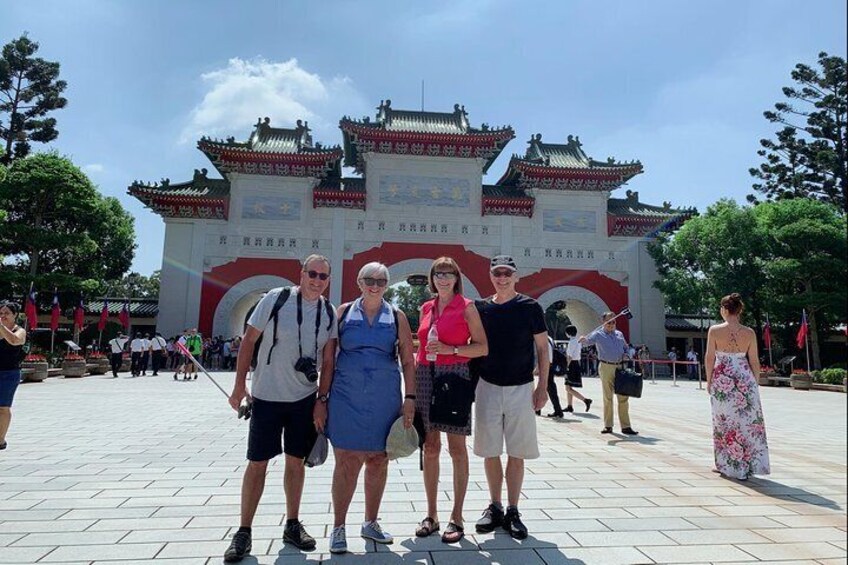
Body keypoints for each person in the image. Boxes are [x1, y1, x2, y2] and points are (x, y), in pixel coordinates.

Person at [224, 255, 338, 562]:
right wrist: (239, 385)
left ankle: (292, 523)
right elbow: (248, 341)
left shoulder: (328, 312)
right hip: (266, 396)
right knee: (257, 463)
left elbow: (328, 360)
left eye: (323, 276)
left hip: (303, 398)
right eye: (312, 273)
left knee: (295, 463)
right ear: (301, 274)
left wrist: (321, 400)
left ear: (328, 280)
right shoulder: (276, 299)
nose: (317, 280)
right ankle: (244, 530)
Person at [321, 262, 416, 554]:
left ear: (387, 285)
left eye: (381, 281)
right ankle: (338, 527)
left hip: (384, 397)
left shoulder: (396, 316)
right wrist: (321, 399)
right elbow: (328, 359)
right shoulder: (343, 312)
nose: (375, 285)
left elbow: (408, 360)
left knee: (378, 459)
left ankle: (371, 522)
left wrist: (409, 398)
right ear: (359, 282)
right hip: (346, 396)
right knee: (347, 460)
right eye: (369, 280)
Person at [473, 255, 549, 540]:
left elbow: (542, 349)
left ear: (516, 276)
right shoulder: (481, 308)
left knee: (517, 451)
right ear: (491, 276)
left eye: (507, 273)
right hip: (488, 385)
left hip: (521, 386)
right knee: (490, 450)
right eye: (497, 273)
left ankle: (514, 509)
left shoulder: (530, 307)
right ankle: (495, 506)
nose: (502, 278)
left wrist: (542, 387)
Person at [414, 257, 488, 543]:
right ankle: (431, 515)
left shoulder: (467, 307)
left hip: (455, 375)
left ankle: (456, 516)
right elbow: (422, 343)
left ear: (457, 278)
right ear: (432, 279)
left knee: (456, 447)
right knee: (430, 446)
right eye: (438, 274)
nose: (443, 279)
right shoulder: (426, 307)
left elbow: (482, 347)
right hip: (425, 374)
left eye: (448, 274)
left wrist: (451, 349)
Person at [705, 293, 770, 481]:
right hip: (744, 377)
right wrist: (754, 383)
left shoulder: (715, 330)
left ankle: (727, 463)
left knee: (724, 421)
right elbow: (754, 361)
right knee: (747, 422)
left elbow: (710, 357)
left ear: (724, 309)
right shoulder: (749, 333)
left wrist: (709, 380)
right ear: (739, 310)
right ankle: (749, 463)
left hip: (722, 376)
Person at [580, 312, 637, 435]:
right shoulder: (598, 334)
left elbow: (626, 347)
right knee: (608, 397)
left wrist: (626, 353)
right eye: (609, 322)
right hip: (606, 367)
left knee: (623, 397)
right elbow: (588, 341)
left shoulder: (619, 334)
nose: (612, 325)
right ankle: (608, 425)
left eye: (614, 322)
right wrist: (583, 339)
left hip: (620, 367)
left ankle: (626, 426)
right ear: (603, 322)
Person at [0, 301, 27, 451]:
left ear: (14, 315)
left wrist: (2, 328)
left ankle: (1, 439)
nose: (3, 316)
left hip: (9, 373)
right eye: (1, 313)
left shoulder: (20, 331)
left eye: (6, 313)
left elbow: (14, 340)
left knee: (3, 407)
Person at [564, 326, 592, 413]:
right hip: (576, 364)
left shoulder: (572, 342)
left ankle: (585, 400)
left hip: (572, 364)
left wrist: (565, 368)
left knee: (568, 388)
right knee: (568, 386)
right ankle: (569, 406)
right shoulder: (577, 341)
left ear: (568, 333)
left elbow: (569, 357)